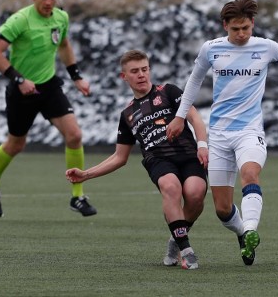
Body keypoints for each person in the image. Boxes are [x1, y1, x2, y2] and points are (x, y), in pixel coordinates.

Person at [165, 0, 278, 266]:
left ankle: (250, 230)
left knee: (250, 173)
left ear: (252, 24)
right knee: (223, 210)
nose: (241, 34)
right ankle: (241, 232)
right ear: (225, 26)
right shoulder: (211, 49)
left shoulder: (266, 47)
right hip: (220, 135)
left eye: (246, 28)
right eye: (235, 29)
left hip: (250, 131)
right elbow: (194, 81)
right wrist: (179, 118)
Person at [65, 50, 209, 270]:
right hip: (159, 160)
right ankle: (187, 251)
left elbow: (195, 118)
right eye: (135, 71)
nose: (141, 74)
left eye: (144, 69)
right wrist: (86, 174)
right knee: (170, 187)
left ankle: (175, 238)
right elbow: (119, 157)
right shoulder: (128, 114)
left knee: (196, 193)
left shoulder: (169, 91)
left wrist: (202, 145)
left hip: (189, 155)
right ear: (124, 77)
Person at [0, 0, 96, 217]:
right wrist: (19, 79)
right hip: (21, 91)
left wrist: (76, 76)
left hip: (49, 86)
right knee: (16, 145)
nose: (49, 2)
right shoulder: (20, 20)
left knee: (74, 135)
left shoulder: (60, 17)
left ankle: (77, 196)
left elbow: (64, 45)